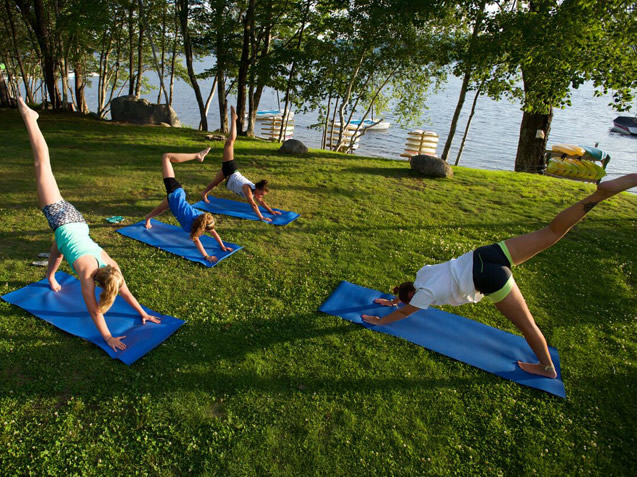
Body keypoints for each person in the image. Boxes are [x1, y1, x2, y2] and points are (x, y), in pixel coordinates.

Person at [362, 174, 637, 378]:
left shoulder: (424, 295)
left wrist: (380, 320)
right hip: (487, 255)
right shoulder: (423, 275)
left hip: (488, 278)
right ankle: (598, 195)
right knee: (551, 232)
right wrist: (393, 300)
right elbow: (407, 298)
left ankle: (547, 368)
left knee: (527, 325)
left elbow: (406, 311)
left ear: (411, 296)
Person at [17, 97, 161, 352]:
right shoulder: (87, 275)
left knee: (59, 247)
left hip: (77, 223)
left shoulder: (111, 265)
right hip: (62, 220)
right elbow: (95, 311)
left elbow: (122, 295)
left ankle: (50, 275)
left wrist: (143, 313)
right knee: (42, 164)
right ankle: (31, 119)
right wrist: (109, 338)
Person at [144, 148, 233, 263]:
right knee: (166, 157)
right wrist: (210, 254)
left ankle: (148, 217)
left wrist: (219, 248)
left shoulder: (202, 216)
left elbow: (212, 232)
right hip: (175, 194)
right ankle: (197, 155)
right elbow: (200, 239)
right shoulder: (191, 227)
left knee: (160, 209)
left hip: (176, 197)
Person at [201, 105, 281, 222]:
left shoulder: (255, 191)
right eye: (261, 194)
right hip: (231, 169)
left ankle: (204, 193)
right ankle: (234, 119)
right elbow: (253, 204)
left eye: (262, 195)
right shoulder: (248, 189)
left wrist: (271, 211)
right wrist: (262, 217)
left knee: (215, 183)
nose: (261, 197)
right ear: (257, 189)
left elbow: (261, 202)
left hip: (228, 174)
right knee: (230, 142)